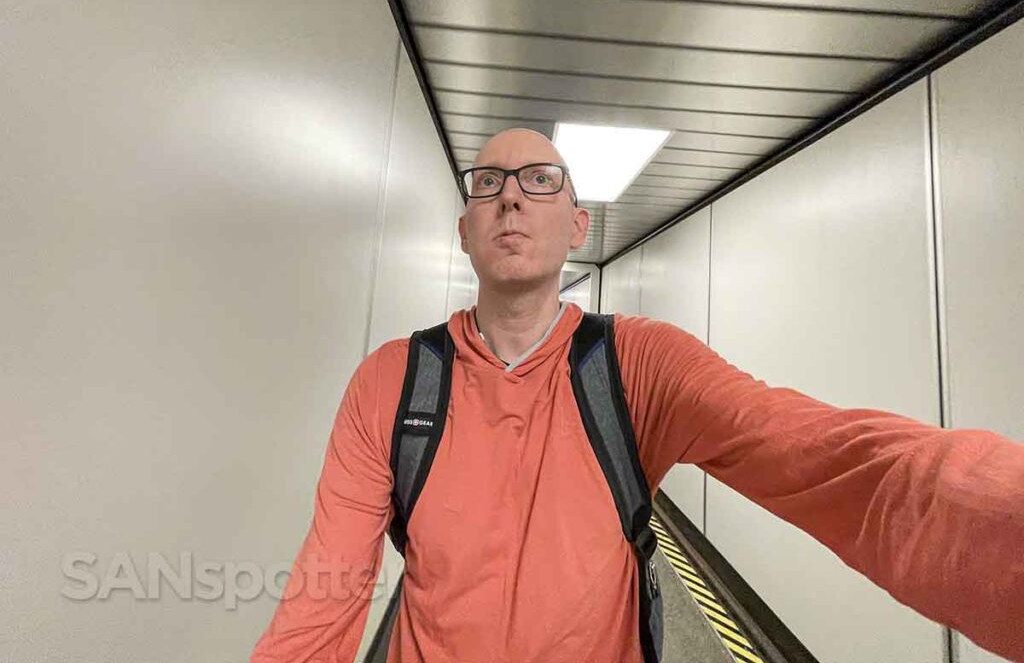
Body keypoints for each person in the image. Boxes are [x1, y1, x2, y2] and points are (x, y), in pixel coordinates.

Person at [250, 128, 1024, 663]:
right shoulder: (392, 380)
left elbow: (831, 462)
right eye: (487, 183)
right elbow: (328, 585)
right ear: (463, 228)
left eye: (538, 182)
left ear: (577, 225)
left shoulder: (636, 363)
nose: (510, 198)